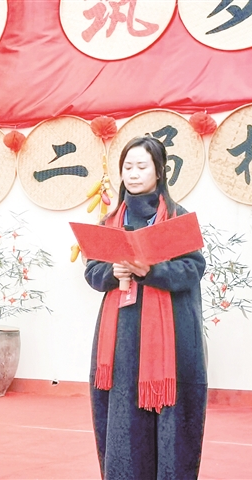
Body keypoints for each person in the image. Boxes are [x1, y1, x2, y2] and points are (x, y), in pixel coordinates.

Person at [83, 136, 207, 479]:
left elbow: (193, 269)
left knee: (171, 422)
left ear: (159, 171)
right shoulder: (110, 221)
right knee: (123, 421)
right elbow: (92, 272)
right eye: (127, 167)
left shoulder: (177, 218)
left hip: (171, 339)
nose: (133, 174)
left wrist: (150, 271)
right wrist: (113, 272)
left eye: (142, 166)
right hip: (121, 339)